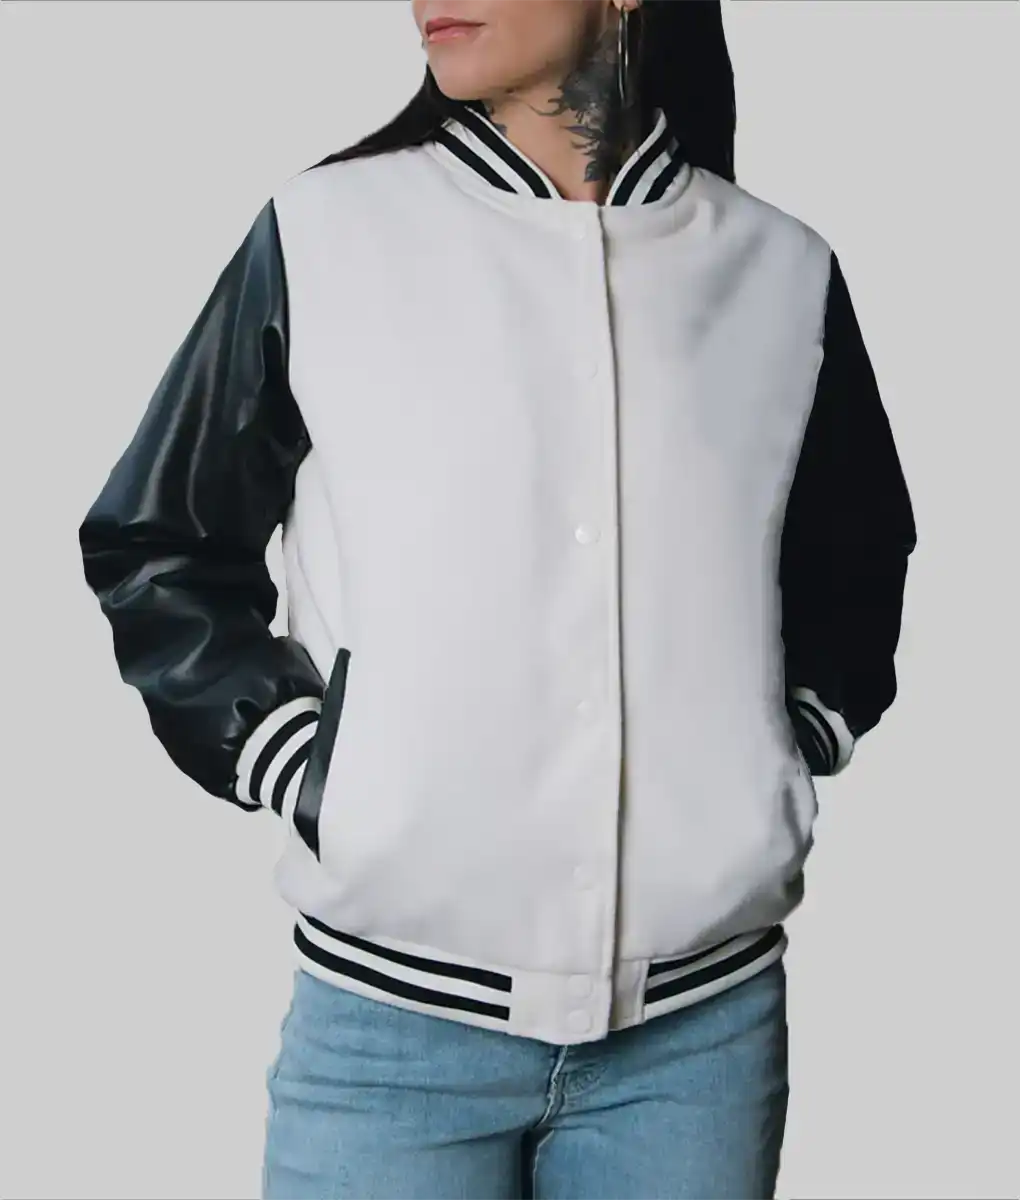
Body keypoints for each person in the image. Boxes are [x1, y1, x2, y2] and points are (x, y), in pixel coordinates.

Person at [77, 0, 917, 1196]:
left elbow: (857, 557)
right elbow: (158, 540)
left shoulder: (781, 271)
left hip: (701, 1046)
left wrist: (786, 742)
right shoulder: (326, 234)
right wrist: (308, 764)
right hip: (388, 1040)